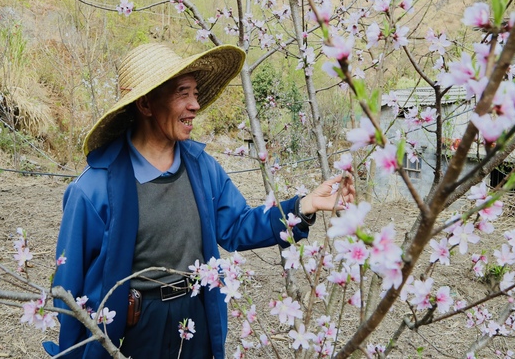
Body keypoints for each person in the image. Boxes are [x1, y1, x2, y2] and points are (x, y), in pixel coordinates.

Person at [44, 43, 354, 358]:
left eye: (195, 93)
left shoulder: (202, 168)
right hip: (133, 328)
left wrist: (304, 206)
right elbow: (68, 289)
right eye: (183, 93)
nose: (196, 105)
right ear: (146, 104)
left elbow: (237, 225)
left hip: (196, 319)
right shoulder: (94, 188)